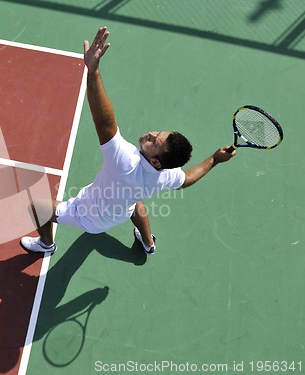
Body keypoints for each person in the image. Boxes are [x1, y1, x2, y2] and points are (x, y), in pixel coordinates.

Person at [20, 26, 236, 255]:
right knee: (136, 204)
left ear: (156, 162)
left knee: (37, 207)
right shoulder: (165, 175)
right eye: (158, 133)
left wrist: (93, 71)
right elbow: (187, 179)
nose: (151, 134)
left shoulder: (125, 161)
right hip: (122, 209)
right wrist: (214, 159)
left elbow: (104, 123)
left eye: (155, 142)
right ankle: (148, 243)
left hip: (88, 217)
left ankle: (47, 244)